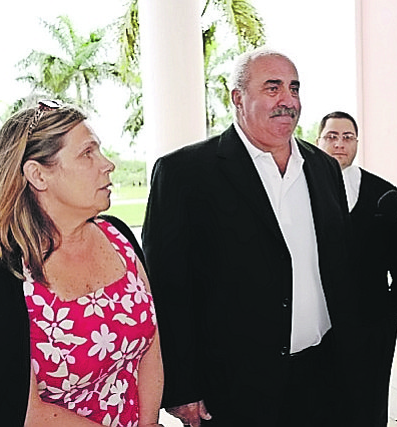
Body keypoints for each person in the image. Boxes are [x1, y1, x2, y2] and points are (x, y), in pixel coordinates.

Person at [142, 48, 361, 427]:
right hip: (231, 387)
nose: (288, 101)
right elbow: (169, 287)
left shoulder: (323, 168)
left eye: (294, 89)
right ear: (237, 98)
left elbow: (339, 269)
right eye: (272, 88)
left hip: (320, 374)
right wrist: (181, 386)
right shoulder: (184, 173)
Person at [0, 101, 163, 427]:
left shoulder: (118, 236)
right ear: (38, 175)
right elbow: (22, 413)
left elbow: (151, 344)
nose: (108, 165)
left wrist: (148, 422)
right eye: (87, 154)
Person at [317, 111, 397, 426]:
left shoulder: (383, 192)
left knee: (368, 404)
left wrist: (392, 311)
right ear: (318, 140)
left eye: (347, 137)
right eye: (332, 136)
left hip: (371, 323)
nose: (340, 144)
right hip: (318, 321)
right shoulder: (300, 191)